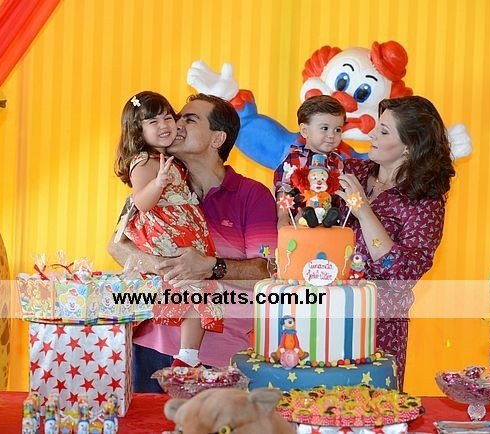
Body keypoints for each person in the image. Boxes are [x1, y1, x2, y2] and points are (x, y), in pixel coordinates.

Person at [109, 93, 278, 392]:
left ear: (217, 139)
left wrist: (209, 267)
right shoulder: (159, 179)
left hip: (216, 356)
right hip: (147, 344)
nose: (175, 124)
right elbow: (117, 245)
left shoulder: (251, 195)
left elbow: (268, 272)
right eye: (177, 117)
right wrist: (164, 264)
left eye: (189, 119)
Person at [336, 95, 456, 391]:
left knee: (372, 410)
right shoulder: (353, 172)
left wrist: (362, 208)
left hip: (380, 329)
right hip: (327, 317)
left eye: (384, 131)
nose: (371, 134)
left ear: (409, 146)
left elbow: (403, 275)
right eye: (376, 126)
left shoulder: (424, 201)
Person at [114, 91, 221, 369]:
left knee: (199, 289)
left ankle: (188, 355)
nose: (165, 126)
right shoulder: (144, 161)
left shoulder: (169, 160)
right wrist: (158, 183)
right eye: (153, 122)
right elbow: (142, 202)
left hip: (183, 235)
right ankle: (187, 355)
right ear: (137, 131)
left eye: (167, 118)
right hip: (165, 236)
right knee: (192, 288)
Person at [273, 95, 345, 229]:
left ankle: (328, 219)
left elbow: (339, 194)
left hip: (328, 227)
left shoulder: (337, 161)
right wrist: (283, 216)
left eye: (338, 130)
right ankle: (308, 216)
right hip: (298, 223)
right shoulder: (295, 159)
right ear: (305, 131)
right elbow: (284, 188)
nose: (331, 135)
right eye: (325, 128)